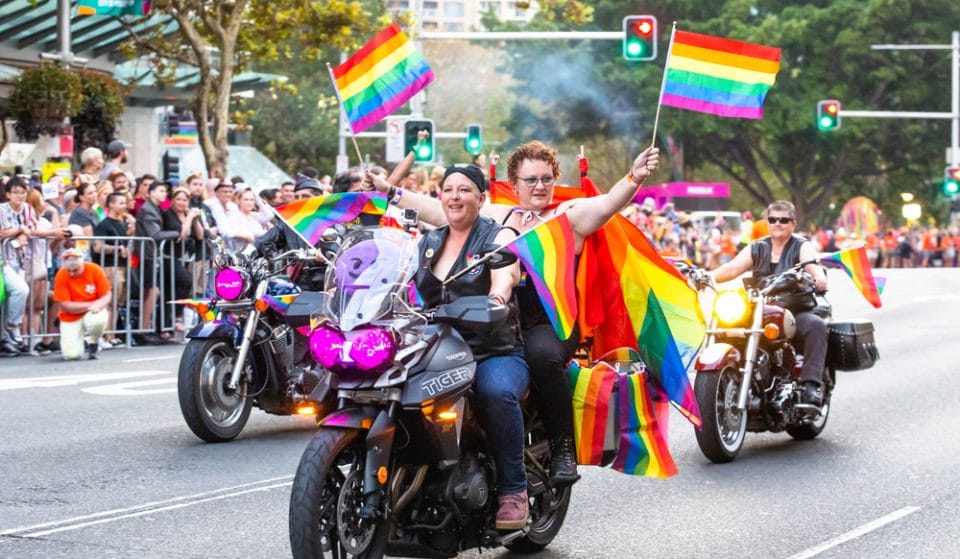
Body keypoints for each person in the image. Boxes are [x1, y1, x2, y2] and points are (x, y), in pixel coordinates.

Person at [369, 141, 660, 483]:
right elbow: (439, 210)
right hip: (489, 319)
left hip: (548, 321)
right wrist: (389, 191)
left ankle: (562, 447)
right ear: (515, 182)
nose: (539, 186)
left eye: (546, 178)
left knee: (540, 357)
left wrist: (634, 177)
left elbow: (608, 204)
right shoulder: (497, 214)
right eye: (530, 179)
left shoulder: (570, 215)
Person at [411, 164, 528, 530]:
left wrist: (496, 296)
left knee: (495, 392)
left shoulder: (494, 239)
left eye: (464, 190)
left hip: (492, 349)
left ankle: (514, 490)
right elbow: (401, 284)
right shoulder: (428, 242)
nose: (454, 197)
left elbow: (506, 272)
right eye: (448, 189)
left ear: (482, 198)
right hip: (435, 350)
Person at [708, 200, 829, 407]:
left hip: (793, 311)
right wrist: (706, 276)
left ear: (793, 223)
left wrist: (817, 275)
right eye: (773, 219)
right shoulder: (757, 247)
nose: (777, 224)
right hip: (759, 311)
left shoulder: (801, 245)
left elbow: (810, 264)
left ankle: (810, 386)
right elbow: (731, 269)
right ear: (767, 222)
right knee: (725, 325)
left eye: (783, 220)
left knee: (816, 326)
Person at [53, 248, 112, 360]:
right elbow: (66, 305)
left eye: (75, 270)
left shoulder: (94, 269)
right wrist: (92, 305)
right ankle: (79, 341)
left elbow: (107, 295)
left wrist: (99, 304)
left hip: (93, 311)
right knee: (71, 355)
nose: (71, 273)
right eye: (69, 270)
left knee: (98, 320)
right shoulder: (61, 275)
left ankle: (94, 341)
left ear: (82, 264)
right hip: (70, 316)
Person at [93, 192, 133, 347]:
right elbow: (97, 247)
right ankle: (104, 335)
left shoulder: (122, 223)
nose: (124, 206)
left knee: (118, 303)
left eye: (125, 203)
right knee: (110, 302)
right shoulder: (104, 224)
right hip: (110, 266)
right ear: (111, 205)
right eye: (120, 203)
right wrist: (116, 248)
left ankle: (112, 335)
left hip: (123, 266)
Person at [0, 177, 33, 355]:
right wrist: (20, 229)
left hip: (20, 260)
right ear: (7, 194)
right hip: (3, 260)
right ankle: (13, 327)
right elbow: (2, 232)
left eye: (23, 192)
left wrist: (24, 232)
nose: (20, 196)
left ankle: (7, 337)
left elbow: (32, 229)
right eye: (16, 192)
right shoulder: (1, 210)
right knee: (21, 290)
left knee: (9, 298)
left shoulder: (27, 209)